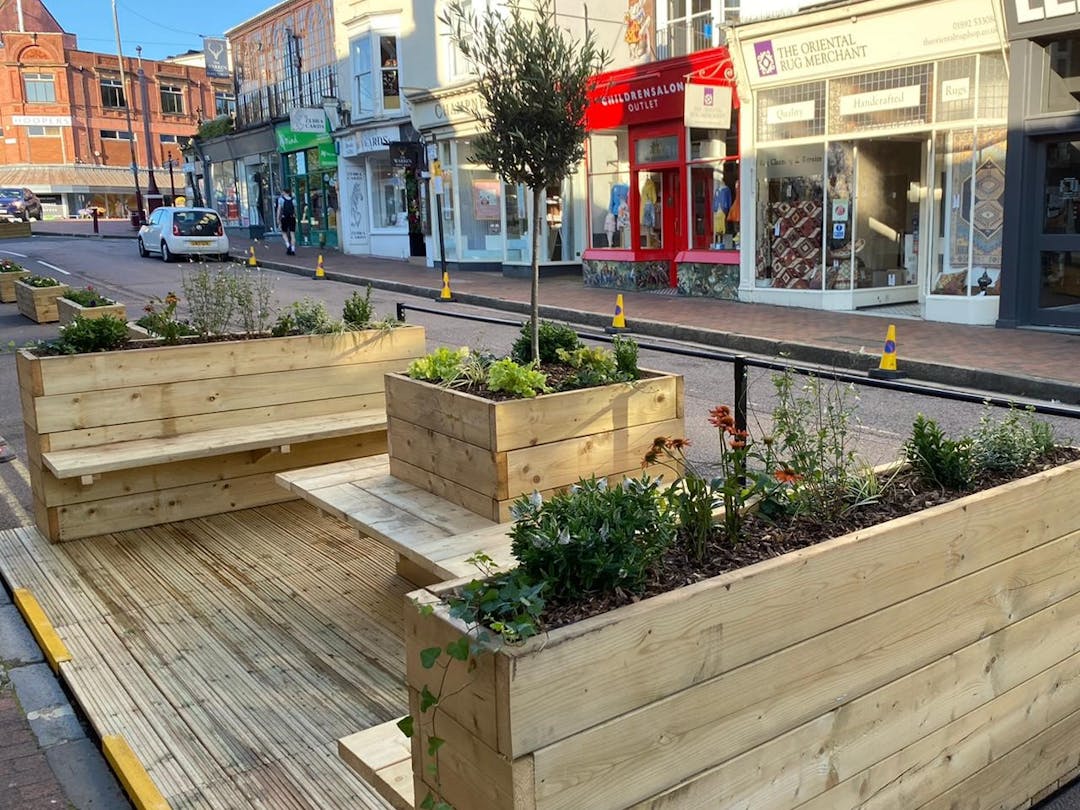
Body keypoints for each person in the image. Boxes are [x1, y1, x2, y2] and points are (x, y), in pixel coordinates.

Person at [277, 188, 297, 255]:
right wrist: (295, 216)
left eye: (283, 192)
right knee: (292, 234)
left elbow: (279, 210)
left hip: (284, 217)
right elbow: (295, 210)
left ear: (284, 192)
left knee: (284, 232)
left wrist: (278, 218)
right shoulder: (293, 200)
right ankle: (293, 249)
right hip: (292, 217)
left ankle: (288, 245)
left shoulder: (281, 199)